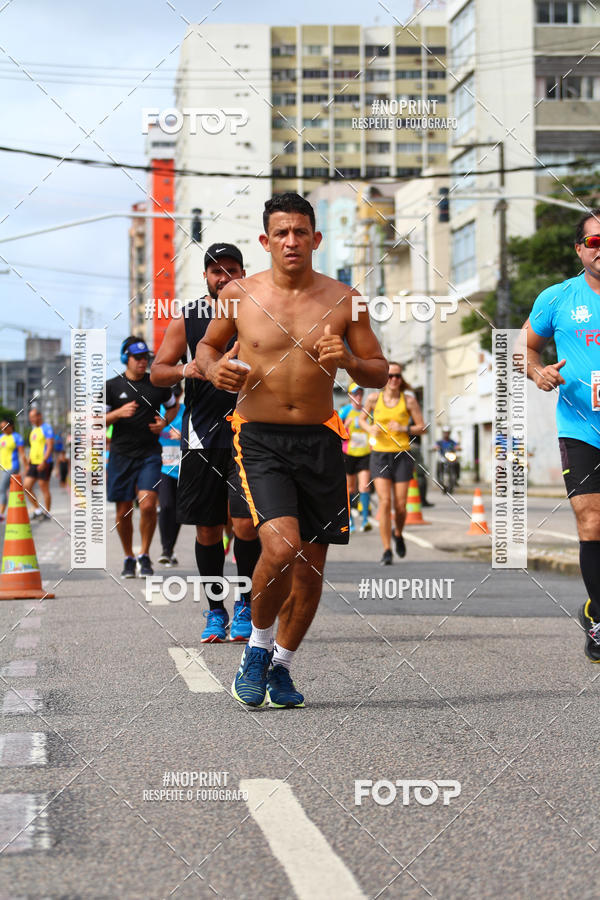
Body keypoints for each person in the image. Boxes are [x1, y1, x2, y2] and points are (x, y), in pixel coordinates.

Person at [196, 192, 387, 709]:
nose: (291, 241)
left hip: (321, 439)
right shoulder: (238, 294)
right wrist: (215, 369)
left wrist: (347, 358)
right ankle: (255, 651)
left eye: (301, 232)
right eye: (281, 232)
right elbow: (207, 347)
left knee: (310, 567)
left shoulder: (347, 299)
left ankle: (281, 665)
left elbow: (379, 369)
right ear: (265, 241)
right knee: (281, 549)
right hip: (259, 438)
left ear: (316, 239)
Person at [151, 243, 261, 643]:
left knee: (246, 525)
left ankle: (247, 606)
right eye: (217, 271)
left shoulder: (258, 311)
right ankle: (216, 611)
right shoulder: (190, 317)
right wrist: (189, 368)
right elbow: (158, 372)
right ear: (206, 277)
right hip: (201, 437)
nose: (224, 277)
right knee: (208, 531)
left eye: (232, 270)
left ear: (243, 273)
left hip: (250, 433)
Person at [524, 208, 600, 662]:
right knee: (591, 520)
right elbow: (526, 346)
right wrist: (537, 372)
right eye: (595, 241)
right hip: (580, 428)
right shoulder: (557, 298)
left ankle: (592, 604)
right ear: (580, 249)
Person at [106, 336, 177, 578]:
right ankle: (128, 556)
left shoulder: (157, 383)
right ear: (126, 358)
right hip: (120, 455)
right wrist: (118, 413)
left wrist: (164, 422)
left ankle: (145, 554)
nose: (142, 362)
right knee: (123, 510)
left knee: (148, 504)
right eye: (137, 358)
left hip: (149, 453)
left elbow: (173, 404)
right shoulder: (111, 387)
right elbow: (96, 420)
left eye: (145, 357)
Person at [359, 363, 426, 565]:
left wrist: (403, 427)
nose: (394, 379)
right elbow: (362, 420)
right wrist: (369, 429)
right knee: (385, 503)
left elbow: (422, 428)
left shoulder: (409, 401)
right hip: (379, 455)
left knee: (401, 505)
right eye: (390, 376)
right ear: (384, 378)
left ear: (401, 378)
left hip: (401, 455)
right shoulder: (373, 399)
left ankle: (398, 533)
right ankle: (387, 549)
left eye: (397, 376)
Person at [339, 383, 372, 532]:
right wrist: (345, 425)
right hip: (348, 454)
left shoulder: (368, 411)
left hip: (365, 453)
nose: (358, 396)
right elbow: (336, 430)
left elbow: (375, 427)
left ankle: (365, 521)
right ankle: (350, 521)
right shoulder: (345, 411)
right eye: (355, 393)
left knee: (364, 486)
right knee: (349, 489)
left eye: (360, 393)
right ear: (350, 395)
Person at [157, 384, 184, 566]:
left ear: (180, 394)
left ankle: (170, 549)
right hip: (163, 468)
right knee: (166, 506)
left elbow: (199, 435)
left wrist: (183, 436)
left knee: (178, 511)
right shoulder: (157, 411)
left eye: (176, 396)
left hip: (183, 468)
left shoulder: (187, 412)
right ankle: (165, 549)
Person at [24, 407, 54, 520]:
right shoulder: (33, 430)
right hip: (33, 463)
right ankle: (37, 510)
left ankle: (47, 512)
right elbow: (33, 447)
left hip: (44, 463)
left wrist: (44, 461)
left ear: (39, 416)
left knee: (44, 488)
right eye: (30, 417)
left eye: (33, 417)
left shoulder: (46, 428)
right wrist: (29, 461)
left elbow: (50, 446)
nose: (31, 419)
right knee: (27, 486)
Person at [0, 416, 26, 521]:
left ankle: (1, 514)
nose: (3, 429)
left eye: (5, 427)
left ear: (11, 426)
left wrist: (26, 467)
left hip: (12, 467)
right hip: (3, 467)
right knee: (10, 490)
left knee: (2, 488)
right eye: (1, 428)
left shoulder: (17, 437)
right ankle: (15, 511)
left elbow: (22, 454)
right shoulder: (1, 437)